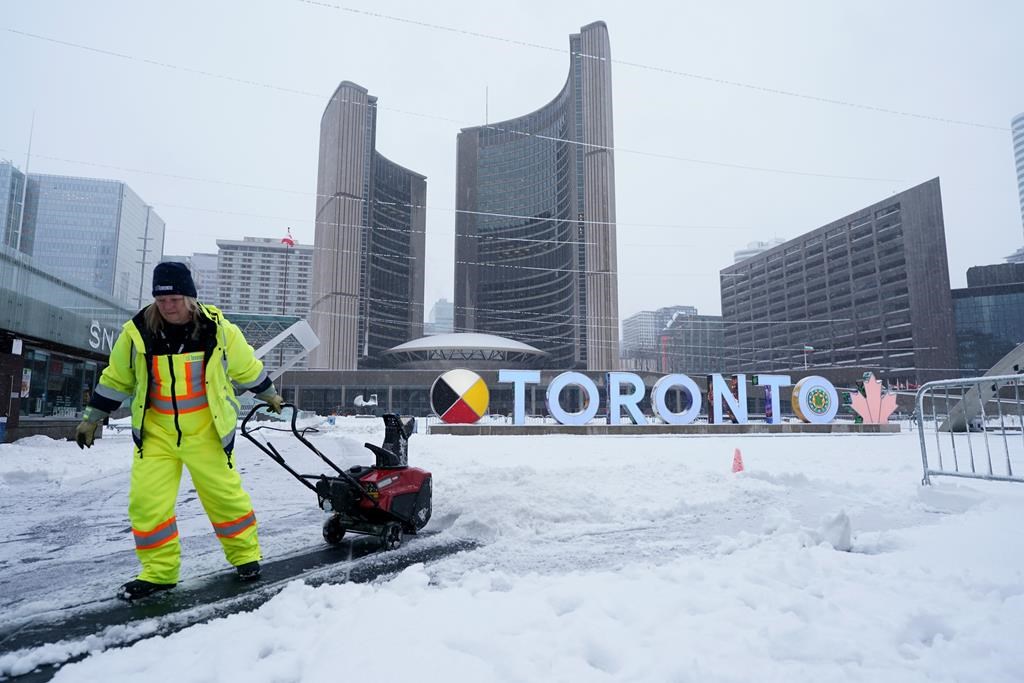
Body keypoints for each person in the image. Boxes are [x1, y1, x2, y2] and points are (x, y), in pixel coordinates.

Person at [75, 262, 284, 601]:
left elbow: (246, 367)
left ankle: (246, 557)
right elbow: (116, 379)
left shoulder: (218, 331)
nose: (167, 306)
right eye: (161, 299)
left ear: (189, 297)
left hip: (207, 432)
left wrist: (269, 394)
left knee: (225, 498)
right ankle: (158, 573)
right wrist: (92, 417)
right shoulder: (137, 332)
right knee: (147, 504)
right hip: (157, 435)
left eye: (174, 298)